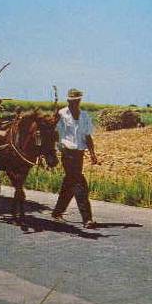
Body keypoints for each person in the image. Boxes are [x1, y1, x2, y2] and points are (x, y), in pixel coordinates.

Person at [52, 88, 98, 228]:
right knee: (80, 184)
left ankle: (57, 212)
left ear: (80, 100)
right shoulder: (61, 114)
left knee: (69, 184)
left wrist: (92, 153)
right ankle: (87, 219)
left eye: (77, 101)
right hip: (67, 153)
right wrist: (58, 147)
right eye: (71, 101)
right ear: (68, 101)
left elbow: (87, 136)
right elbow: (53, 133)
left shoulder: (84, 116)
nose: (74, 103)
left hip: (79, 154)